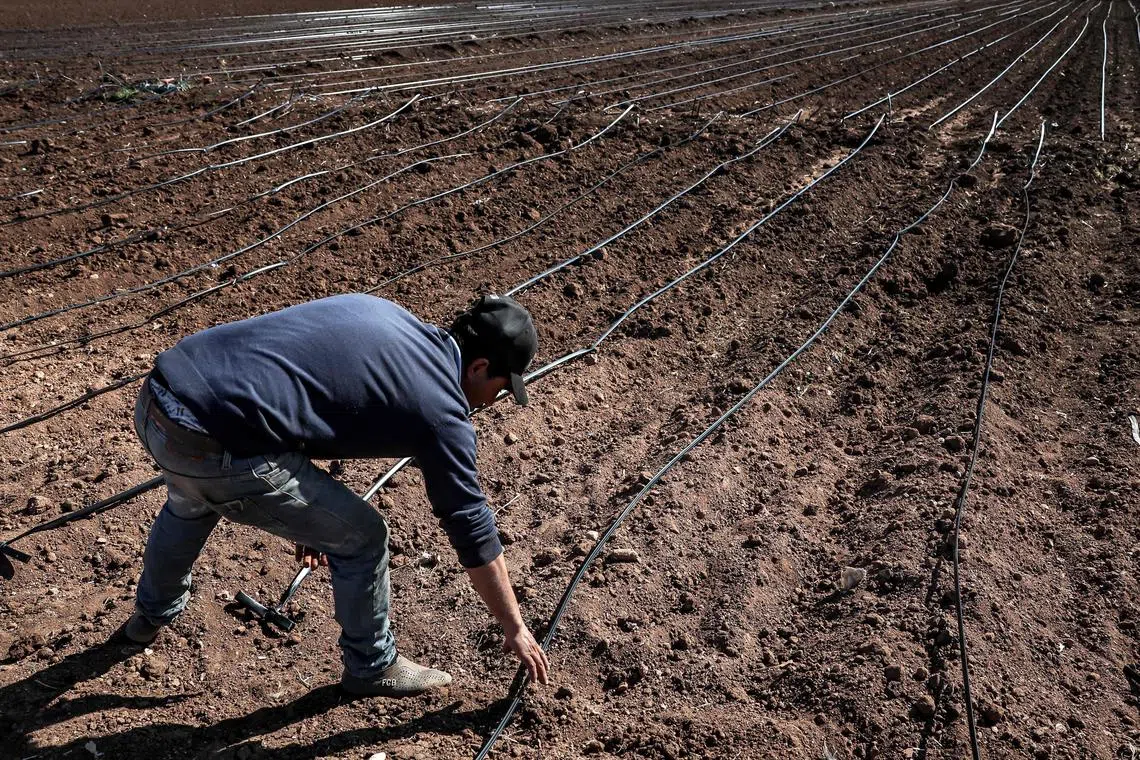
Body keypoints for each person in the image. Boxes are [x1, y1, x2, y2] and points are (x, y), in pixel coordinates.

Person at [122, 292, 550, 696]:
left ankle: (149, 616)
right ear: (478, 368)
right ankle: (373, 666)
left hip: (161, 398)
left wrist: (308, 523)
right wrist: (513, 625)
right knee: (362, 537)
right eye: (500, 388)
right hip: (213, 442)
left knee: (191, 501)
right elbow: (469, 522)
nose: (494, 401)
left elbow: (302, 393)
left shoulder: (385, 315)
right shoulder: (442, 413)